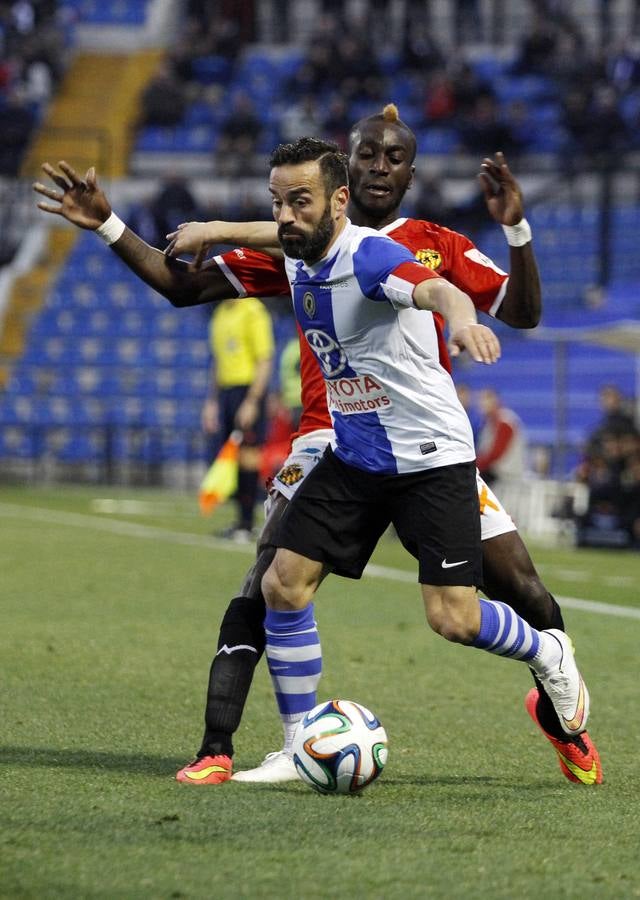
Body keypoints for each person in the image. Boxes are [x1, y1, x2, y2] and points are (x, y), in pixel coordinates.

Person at [32, 118, 601, 788]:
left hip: (429, 453)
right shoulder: (298, 242)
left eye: (395, 158)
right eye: (368, 155)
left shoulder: (398, 252)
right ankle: (283, 746)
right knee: (276, 581)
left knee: (476, 605)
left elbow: (448, 291)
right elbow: (239, 254)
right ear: (347, 174)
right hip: (345, 446)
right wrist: (131, 226)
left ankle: (555, 674)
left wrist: (469, 311)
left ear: (395, 180)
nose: (380, 167)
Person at [203, 296, 274, 540]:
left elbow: (264, 359)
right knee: (233, 456)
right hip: (226, 391)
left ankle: (247, 522)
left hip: (247, 389)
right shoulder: (220, 312)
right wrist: (212, 401)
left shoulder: (253, 309)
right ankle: (240, 521)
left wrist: (253, 401)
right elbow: (217, 361)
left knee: (248, 456)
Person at [475, 388, 527, 490]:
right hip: (495, 473)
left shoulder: (505, 422)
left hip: (506, 476)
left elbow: (495, 454)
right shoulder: (489, 423)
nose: (482, 403)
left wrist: (474, 465)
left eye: (486, 399)